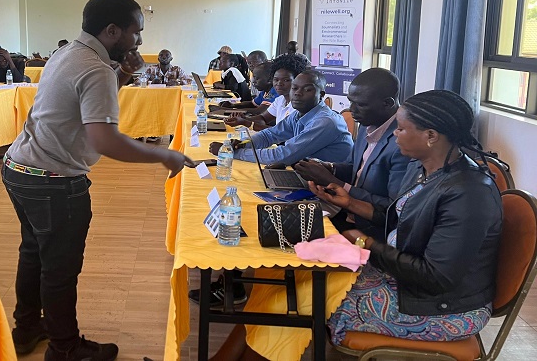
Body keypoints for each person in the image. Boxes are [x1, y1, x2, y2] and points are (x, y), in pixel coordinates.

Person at [2, 0, 193, 360]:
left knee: (34, 254)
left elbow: (82, 106)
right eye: (136, 33)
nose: (140, 42)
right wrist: (163, 154)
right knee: (59, 269)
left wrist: (122, 74)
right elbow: (104, 139)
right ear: (112, 31)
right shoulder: (94, 68)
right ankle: (64, 348)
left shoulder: (69, 53)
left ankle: (27, 329)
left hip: (20, 169)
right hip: (53, 181)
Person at [306, 90, 502, 347]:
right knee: (306, 277)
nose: (395, 135)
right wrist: (350, 203)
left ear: (430, 136)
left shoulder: (469, 193)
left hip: (442, 307)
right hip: (404, 281)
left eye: (401, 129)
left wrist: (366, 244)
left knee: (309, 299)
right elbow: (401, 221)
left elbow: (436, 277)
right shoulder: (422, 168)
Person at [295, 68, 410, 240]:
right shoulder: (367, 123)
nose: (352, 109)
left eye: (360, 104)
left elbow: (393, 208)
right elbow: (353, 167)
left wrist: (333, 182)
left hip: (369, 230)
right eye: (351, 101)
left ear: (387, 103)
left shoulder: (403, 143)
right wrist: (329, 168)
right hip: (343, 210)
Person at [211, 70, 352, 166]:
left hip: (330, 187)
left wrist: (231, 153)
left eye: (307, 89)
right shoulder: (299, 113)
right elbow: (269, 135)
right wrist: (241, 144)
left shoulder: (325, 122)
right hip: (307, 172)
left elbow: (283, 155)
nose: (298, 93)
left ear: (321, 95)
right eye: (295, 88)